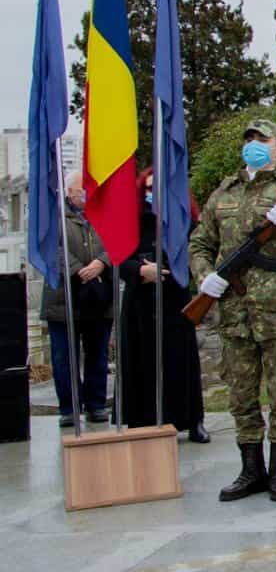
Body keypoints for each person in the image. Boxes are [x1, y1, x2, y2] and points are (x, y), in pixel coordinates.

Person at [189, 118, 276, 503]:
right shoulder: (222, 195)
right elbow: (200, 242)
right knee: (241, 396)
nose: (254, 144)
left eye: (262, 140)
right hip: (235, 315)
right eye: (249, 139)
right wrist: (205, 278)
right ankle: (250, 470)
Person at [116, 167, 208, 442]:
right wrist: (139, 272)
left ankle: (192, 420)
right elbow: (118, 259)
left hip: (174, 300)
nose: (151, 195)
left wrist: (176, 271)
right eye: (147, 189)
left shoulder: (184, 219)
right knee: (140, 361)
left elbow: (199, 252)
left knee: (181, 361)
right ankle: (140, 421)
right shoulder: (129, 221)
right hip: (140, 303)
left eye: (156, 189)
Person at [40, 171, 113, 427]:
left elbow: (115, 242)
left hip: (99, 297)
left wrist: (101, 263)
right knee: (64, 357)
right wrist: (77, 269)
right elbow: (51, 248)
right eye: (80, 190)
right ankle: (69, 408)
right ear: (69, 192)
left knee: (98, 354)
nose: (85, 195)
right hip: (63, 298)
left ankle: (95, 404)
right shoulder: (55, 216)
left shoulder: (104, 214)